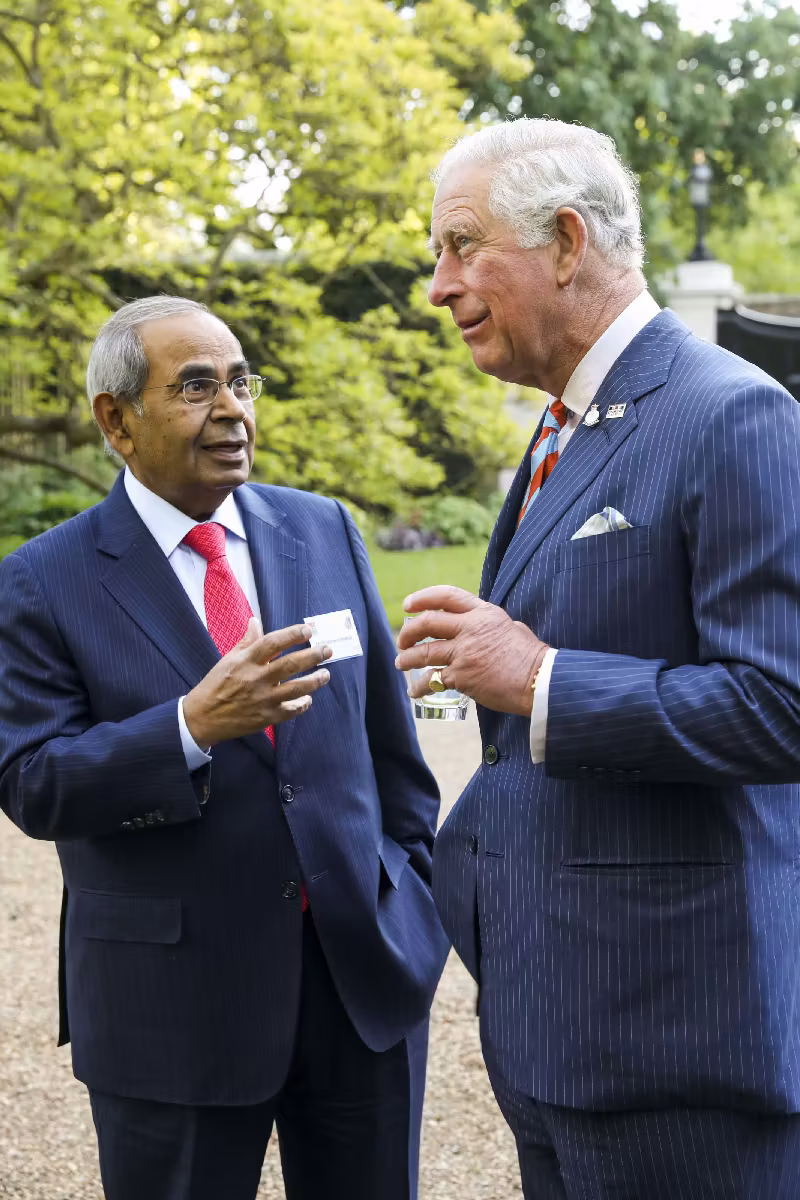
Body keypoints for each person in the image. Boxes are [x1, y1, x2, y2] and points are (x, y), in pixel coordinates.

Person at [395, 118, 800, 1199]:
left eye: (460, 246)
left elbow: (781, 708)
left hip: (675, 1046)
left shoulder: (733, 416)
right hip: (555, 1029)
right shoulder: (556, 428)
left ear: (565, 241)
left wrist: (535, 678)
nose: (438, 285)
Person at [0, 295, 449, 1200]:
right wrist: (189, 729)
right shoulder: (41, 581)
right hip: (172, 1004)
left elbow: (391, 752)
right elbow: (33, 782)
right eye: (196, 386)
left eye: (242, 382)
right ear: (115, 420)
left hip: (359, 983)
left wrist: (409, 893)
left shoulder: (323, 527)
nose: (234, 409)